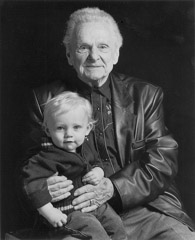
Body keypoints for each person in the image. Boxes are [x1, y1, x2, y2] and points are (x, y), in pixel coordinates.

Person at [20, 7, 195, 240]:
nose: (94, 56)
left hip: (145, 210)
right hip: (77, 212)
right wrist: (45, 187)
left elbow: (163, 161)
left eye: (103, 47)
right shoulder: (44, 100)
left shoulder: (145, 95)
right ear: (70, 55)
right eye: (83, 47)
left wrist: (113, 188)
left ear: (116, 54)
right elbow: (27, 168)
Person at [22, 91, 127, 240]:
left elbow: (96, 162)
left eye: (76, 127)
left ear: (88, 128)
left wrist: (98, 172)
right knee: (94, 231)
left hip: (92, 206)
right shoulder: (46, 157)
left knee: (115, 224)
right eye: (60, 128)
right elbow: (31, 184)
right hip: (67, 213)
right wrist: (49, 212)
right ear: (48, 130)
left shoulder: (84, 148)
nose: (68, 134)